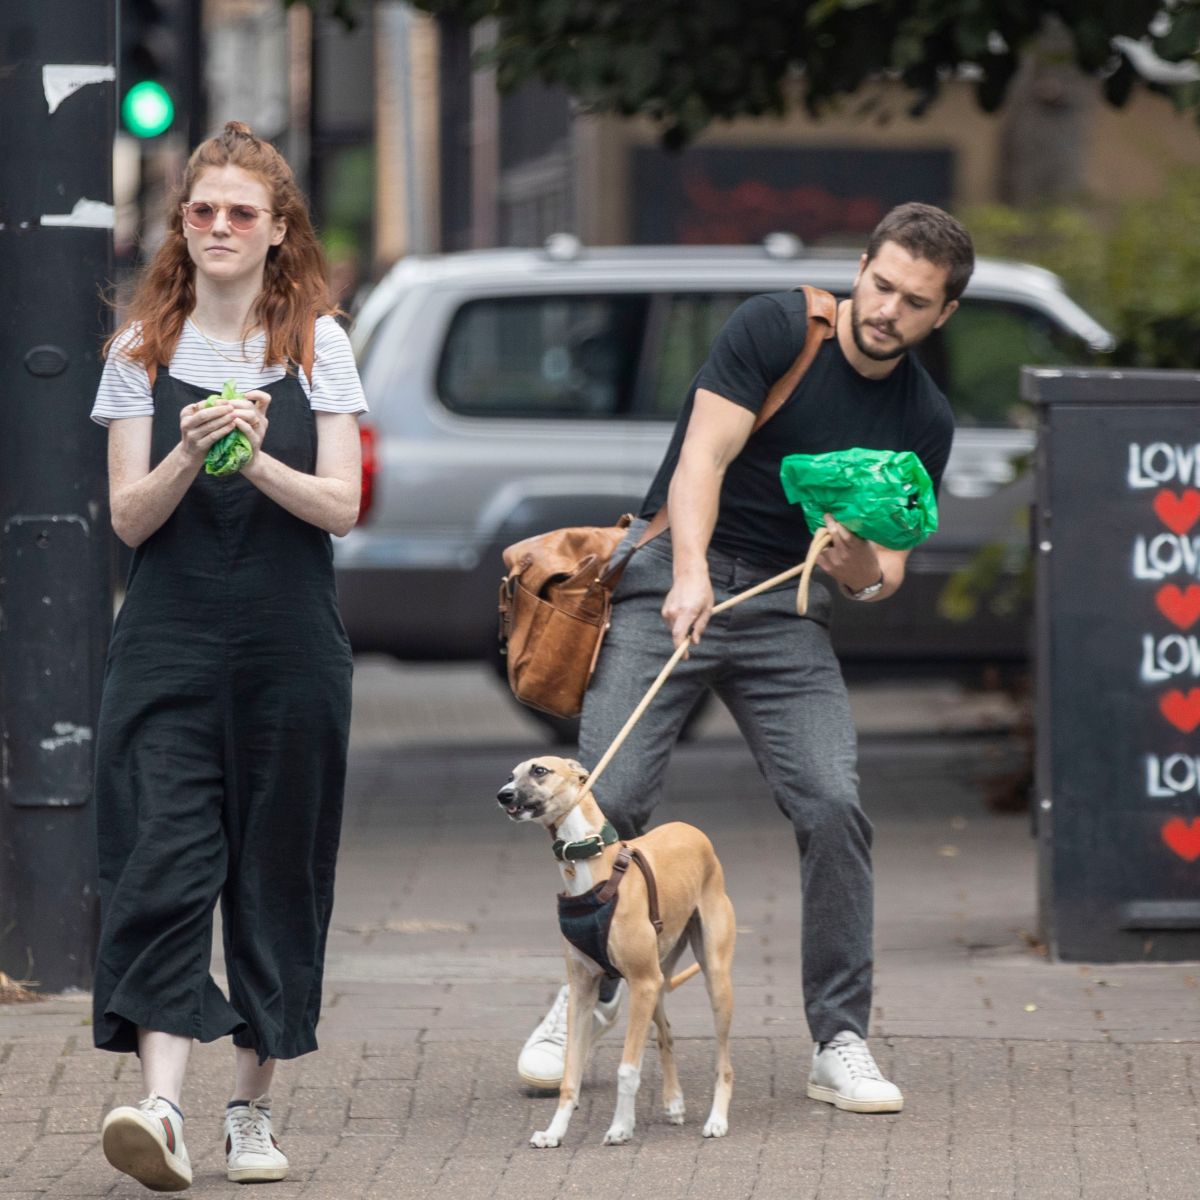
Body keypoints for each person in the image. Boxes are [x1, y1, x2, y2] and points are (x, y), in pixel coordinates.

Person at [518, 202, 974, 1113]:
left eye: (914, 302)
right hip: (675, 572)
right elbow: (703, 460)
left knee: (835, 804)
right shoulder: (777, 327)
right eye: (880, 285)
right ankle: (589, 992)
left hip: (784, 605)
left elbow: (885, 574)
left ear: (942, 314)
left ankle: (839, 1040)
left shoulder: (924, 417)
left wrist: (856, 570)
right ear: (861, 267)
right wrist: (686, 576)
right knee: (612, 798)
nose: (887, 309)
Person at [90, 121, 366, 1191]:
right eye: (201, 211)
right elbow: (126, 519)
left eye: (240, 213)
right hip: (164, 644)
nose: (218, 227)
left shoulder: (318, 345)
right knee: (161, 859)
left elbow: (341, 506)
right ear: (182, 226)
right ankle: (160, 1107)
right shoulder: (139, 351)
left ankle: (251, 1107)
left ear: (277, 229)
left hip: (292, 645)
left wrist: (251, 465)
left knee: (276, 871)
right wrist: (189, 451)